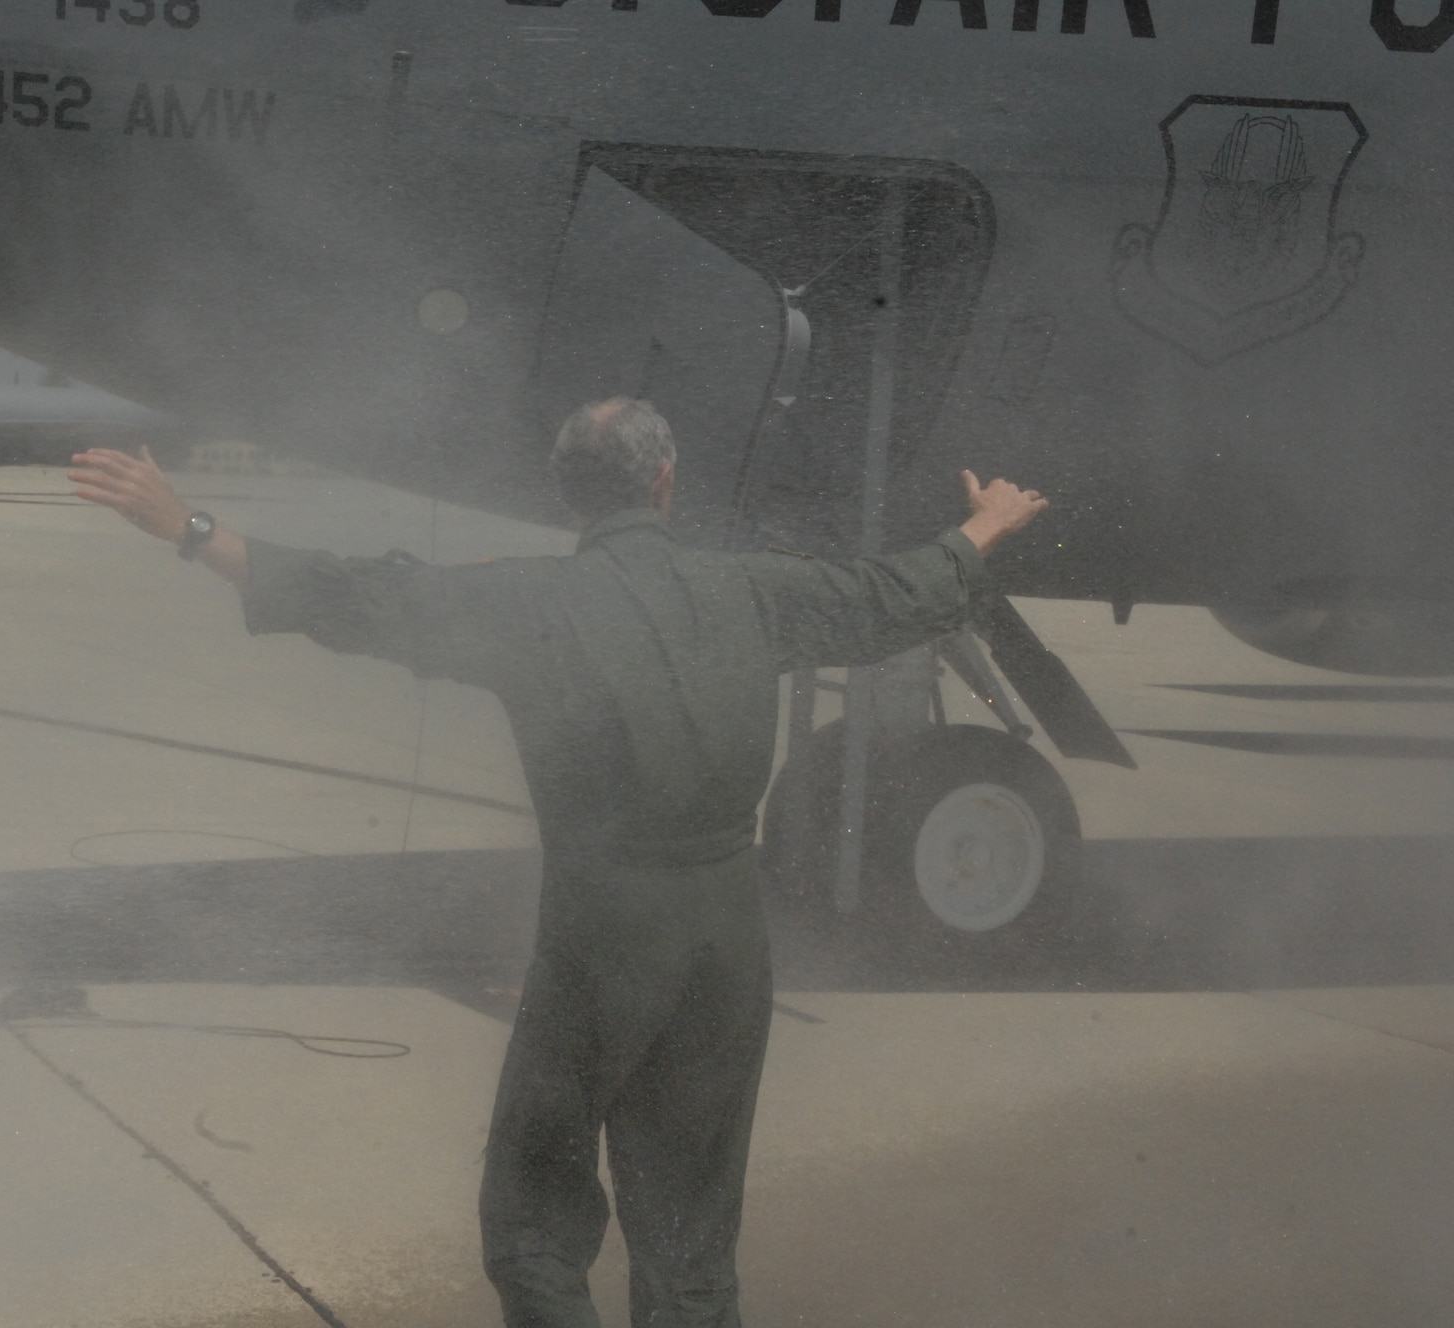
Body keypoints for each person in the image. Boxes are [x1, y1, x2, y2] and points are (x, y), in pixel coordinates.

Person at [69, 400, 1047, 1327]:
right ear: (665, 479)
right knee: (691, 1236)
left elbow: (355, 594)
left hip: (603, 935)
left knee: (532, 1223)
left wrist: (185, 525)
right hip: (727, 938)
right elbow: (888, 596)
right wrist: (985, 525)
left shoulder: (527, 604)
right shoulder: (752, 588)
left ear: (566, 494)